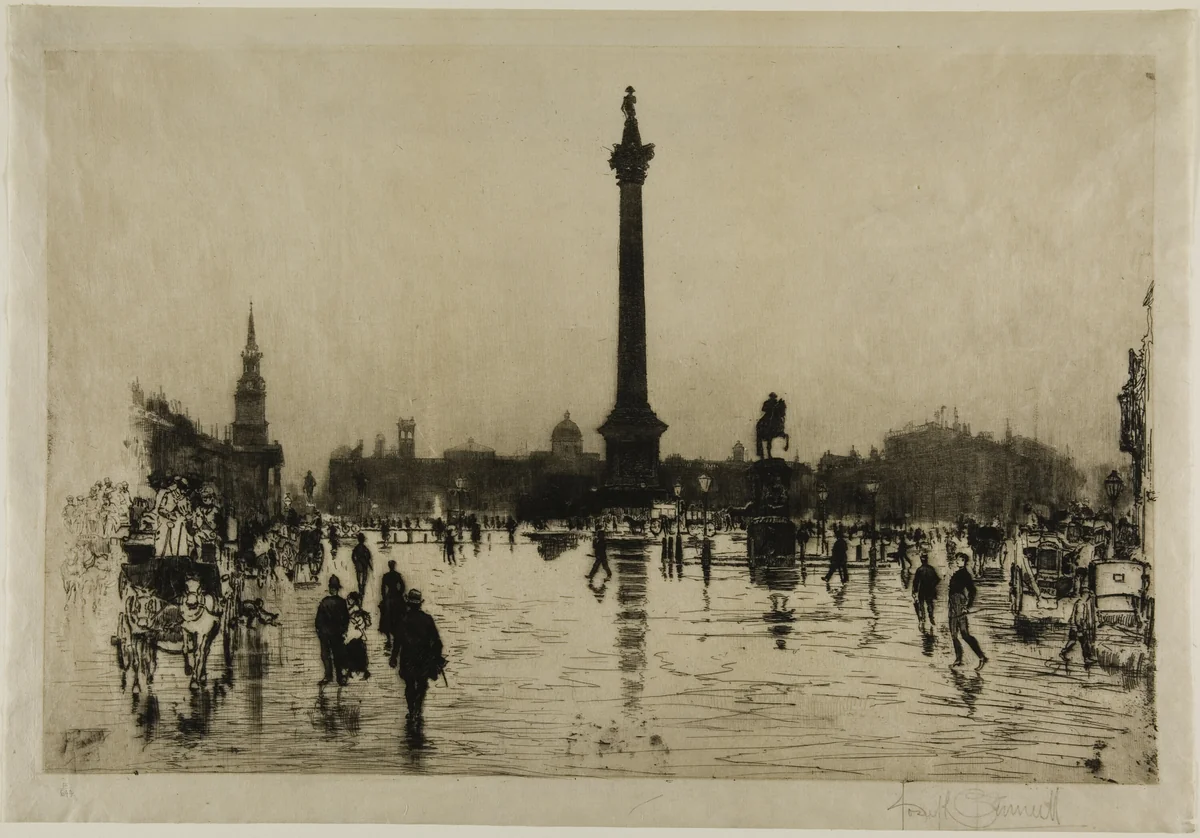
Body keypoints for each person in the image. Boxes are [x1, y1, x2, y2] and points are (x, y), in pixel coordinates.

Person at [394, 589, 445, 729]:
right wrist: (437, 657)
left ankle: (411, 710)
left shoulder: (403, 619)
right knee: (422, 684)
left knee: (409, 685)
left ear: (409, 604)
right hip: (423, 659)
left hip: (407, 659)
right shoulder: (427, 619)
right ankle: (417, 708)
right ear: (419, 604)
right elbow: (436, 641)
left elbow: (397, 641)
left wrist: (393, 657)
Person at [948, 553, 988, 670]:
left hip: (959, 607)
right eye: (956, 560)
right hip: (953, 607)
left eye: (959, 560)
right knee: (955, 635)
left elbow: (972, 591)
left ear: (964, 561)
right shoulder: (957, 573)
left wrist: (967, 606)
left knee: (963, 635)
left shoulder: (964, 575)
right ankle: (958, 659)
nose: (957, 562)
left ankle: (980, 657)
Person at [315, 575, 350, 686]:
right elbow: (346, 619)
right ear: (337, 589)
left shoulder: (324, 602)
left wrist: (319, 631)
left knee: (326, 655)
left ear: (330, 589)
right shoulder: (342, 602)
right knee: (338, 655)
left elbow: (318, 620)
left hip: (325, 633)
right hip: (337, 633)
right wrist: (343, 630)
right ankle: (341, 678)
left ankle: (328, 676)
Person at [1061, 571, 1098, 664]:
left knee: (1074, 640)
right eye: (1088, 594)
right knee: (1083, 641)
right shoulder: (1081, 603)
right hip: (1077, 627)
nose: (1089, 596)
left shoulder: (1081, 602)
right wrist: (1080, 628)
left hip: (1075, 626)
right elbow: (1078, 617)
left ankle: (1064, 652)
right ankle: (1087, 658)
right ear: (1085, 594)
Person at [379, 560, 407, 662]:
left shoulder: (385, 576)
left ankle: (388, 639)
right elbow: (403, 586)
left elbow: (382, 588)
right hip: (397, 596)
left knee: (385, 616)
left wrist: (384, 598)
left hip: (389, 597)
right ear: (394, 566)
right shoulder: (397, 575)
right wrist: (399, 593)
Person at [342, 592, 372, 680]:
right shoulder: (353, 609)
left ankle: (359, 671)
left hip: (355, 635)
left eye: (349, 599)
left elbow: (360, 624)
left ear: (354, 600)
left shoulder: (355, 610)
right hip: (355, 635)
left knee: (355, 654)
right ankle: (353, 671)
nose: (348, 600)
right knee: (355, 654)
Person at [912, 551, 940, 631]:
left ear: (921, 560)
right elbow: (937, 579)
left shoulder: (919, 570)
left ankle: (923, 618)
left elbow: (916, 582)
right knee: (929, 603)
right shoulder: (931, 569)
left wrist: (914, 591)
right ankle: (931, 618)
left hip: (922, 590)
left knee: (921, 604)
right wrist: (932, 585)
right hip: (930, 590)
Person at [351, 532, 372, 596]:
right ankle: (362, 589)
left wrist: (355, 562)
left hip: (358, 564)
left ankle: (360, 589)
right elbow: (369, 556)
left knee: (358, 577)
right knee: (364, 577)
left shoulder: (357, 547)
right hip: (364, 563)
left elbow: (352, 556)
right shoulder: (365, 547)